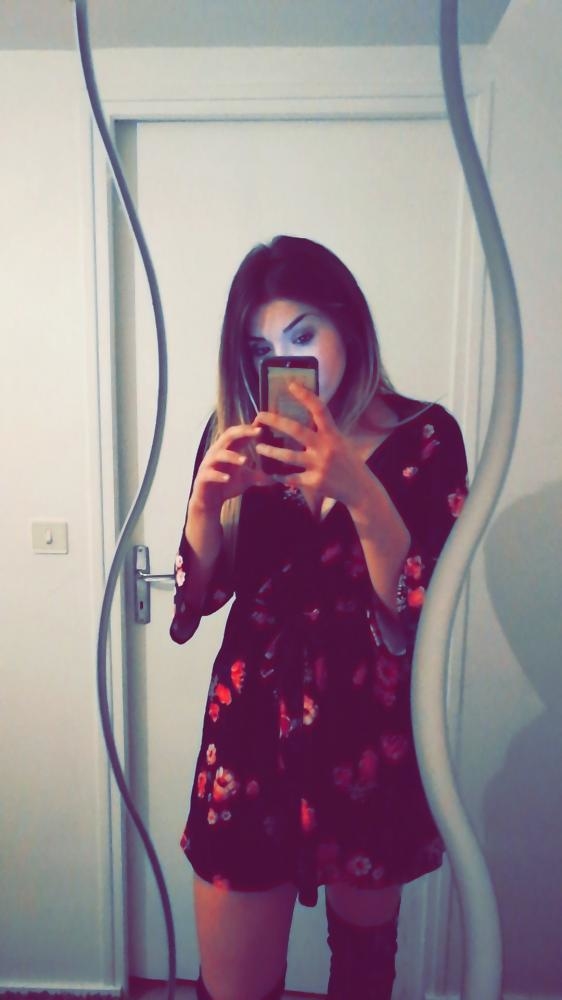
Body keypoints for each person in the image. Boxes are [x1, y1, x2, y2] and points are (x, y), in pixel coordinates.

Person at [170, 235, 469, 1000]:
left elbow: (414, 610)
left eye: (302, 335)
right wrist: (204, 509)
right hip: (248, 734)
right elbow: (197, 600)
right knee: (232, 989)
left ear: (350, 325)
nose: (283, 360)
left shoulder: (426, 437)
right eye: (261, 346)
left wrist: (359, 490)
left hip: (366, 735)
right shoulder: (239, 431)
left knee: (363, 975)